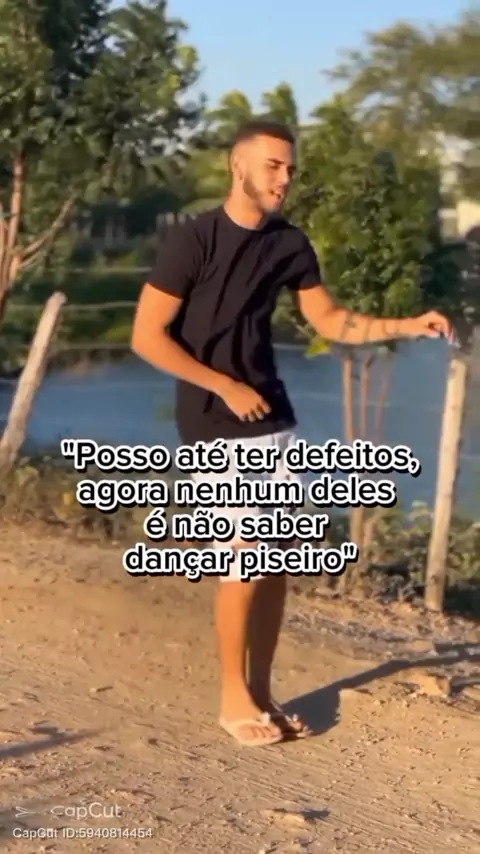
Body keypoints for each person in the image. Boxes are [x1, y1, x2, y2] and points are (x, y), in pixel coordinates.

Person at [131, 119, 453, 747]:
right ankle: (232, 697)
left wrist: (406, 325)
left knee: (275, 561)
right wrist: (223, 385)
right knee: (242, 558)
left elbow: (330, 320)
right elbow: (147, 336)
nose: (285, 178)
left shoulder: (290, 243)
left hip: (274, 417)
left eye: (290, 169)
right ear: (239, 166)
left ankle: (261, 690)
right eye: (274, 165)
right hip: (213, 419)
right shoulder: (193, 240)